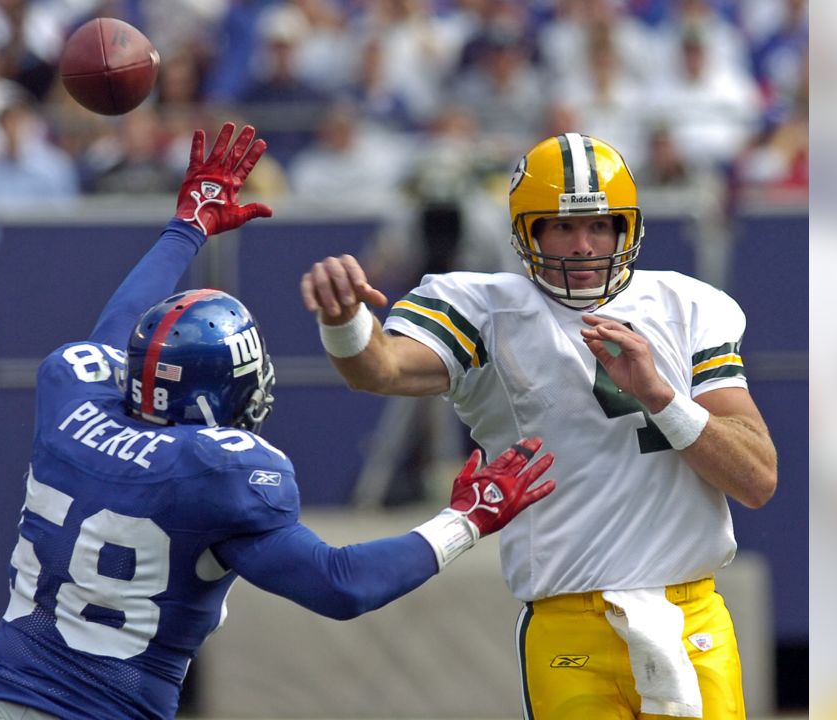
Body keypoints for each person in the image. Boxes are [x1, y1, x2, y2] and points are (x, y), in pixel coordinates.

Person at [0, 122, 557, 720]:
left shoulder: (72, 396)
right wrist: (467, 519)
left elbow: (117, 326)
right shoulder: (216, 475)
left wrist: (187, 227)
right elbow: (341, 583)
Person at [300, 132, 778, 720]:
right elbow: (381, 369)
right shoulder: (487, 309)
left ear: (626, 229)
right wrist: (345, 322)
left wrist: (659, 396)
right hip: (568, 623)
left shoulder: (688, 306)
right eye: (560, 227)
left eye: (600, 226)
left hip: (691, 614)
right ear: (527, 233)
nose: (582, 245)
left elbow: (756, 478)